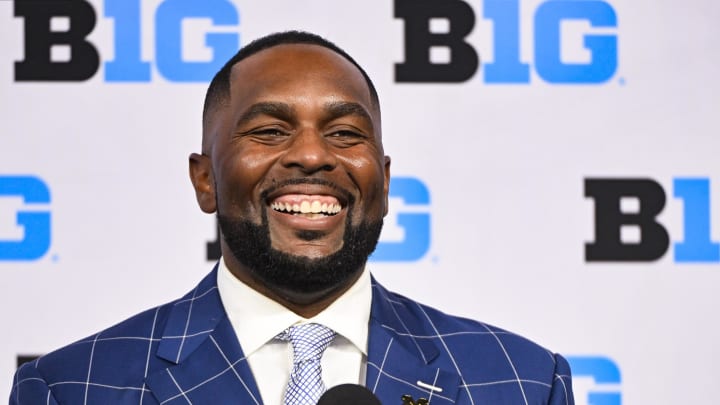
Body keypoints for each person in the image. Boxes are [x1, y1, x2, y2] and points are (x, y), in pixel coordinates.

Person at [9, 31, 574, 405]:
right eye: (270, 131)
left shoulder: (522, 381)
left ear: (384, 180)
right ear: (204, 179)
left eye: (345, 134)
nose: (312, 155)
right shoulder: (72, 387)